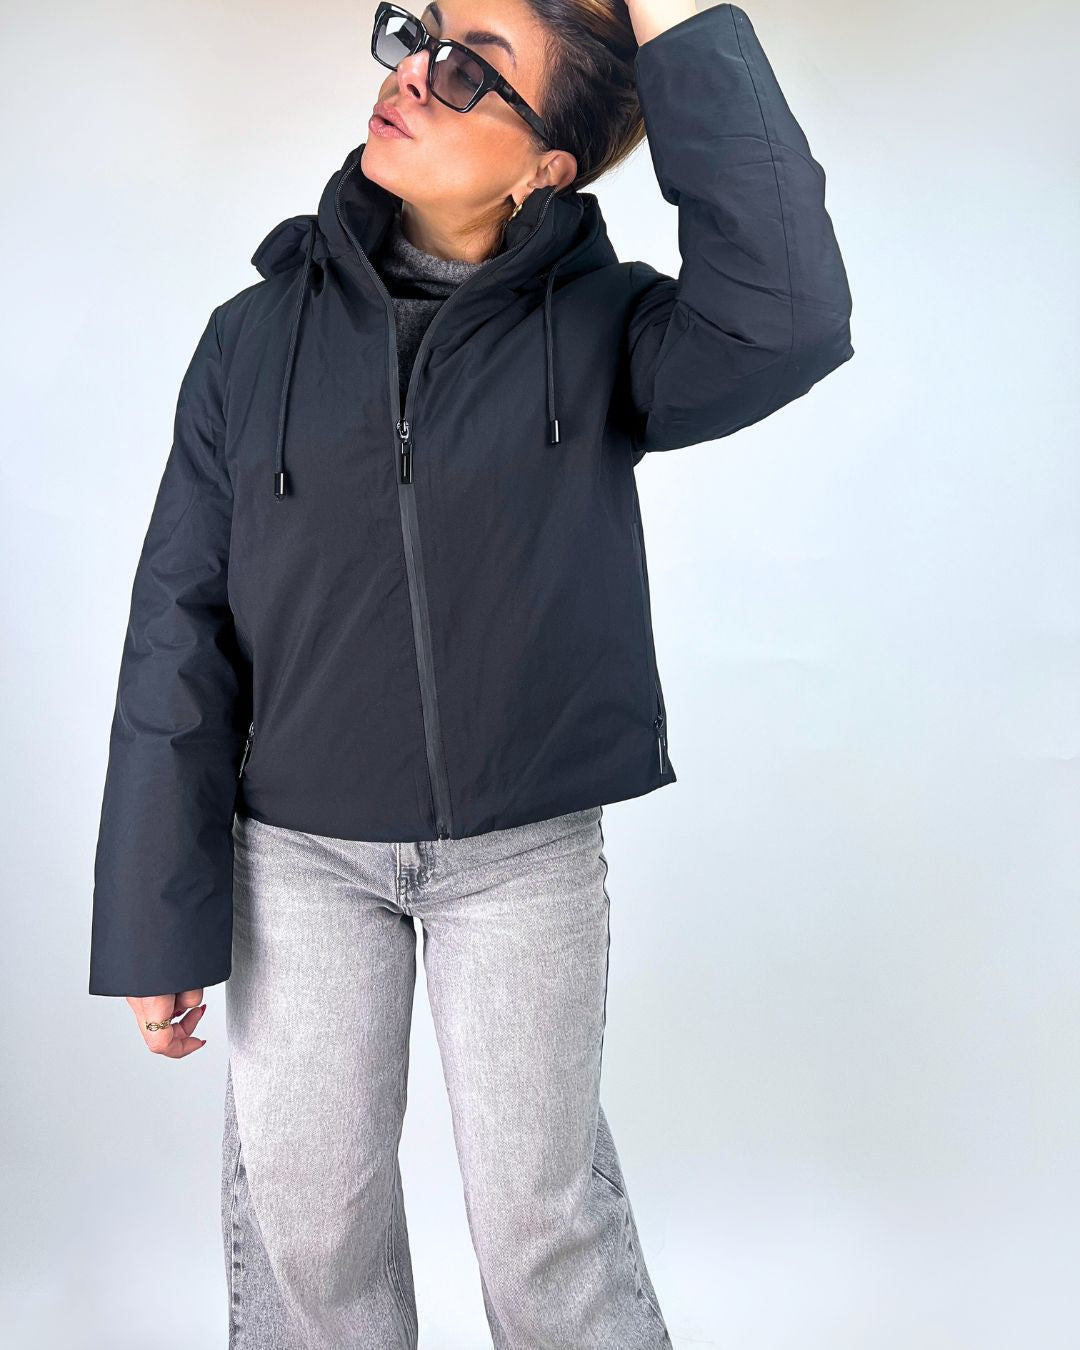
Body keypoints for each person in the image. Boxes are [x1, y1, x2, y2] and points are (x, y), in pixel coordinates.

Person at [88, 1, 854, 1343]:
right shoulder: (249, 340)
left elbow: (788, 317)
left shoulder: (607, 330)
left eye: (470, 70)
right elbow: (178, 629)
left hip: (522, 856)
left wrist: (675, 17)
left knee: (541, 1234)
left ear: (545, 165)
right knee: (308, 1233)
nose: (415, 78)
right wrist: (158, 915)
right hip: (296, 859)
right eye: (422, 36)